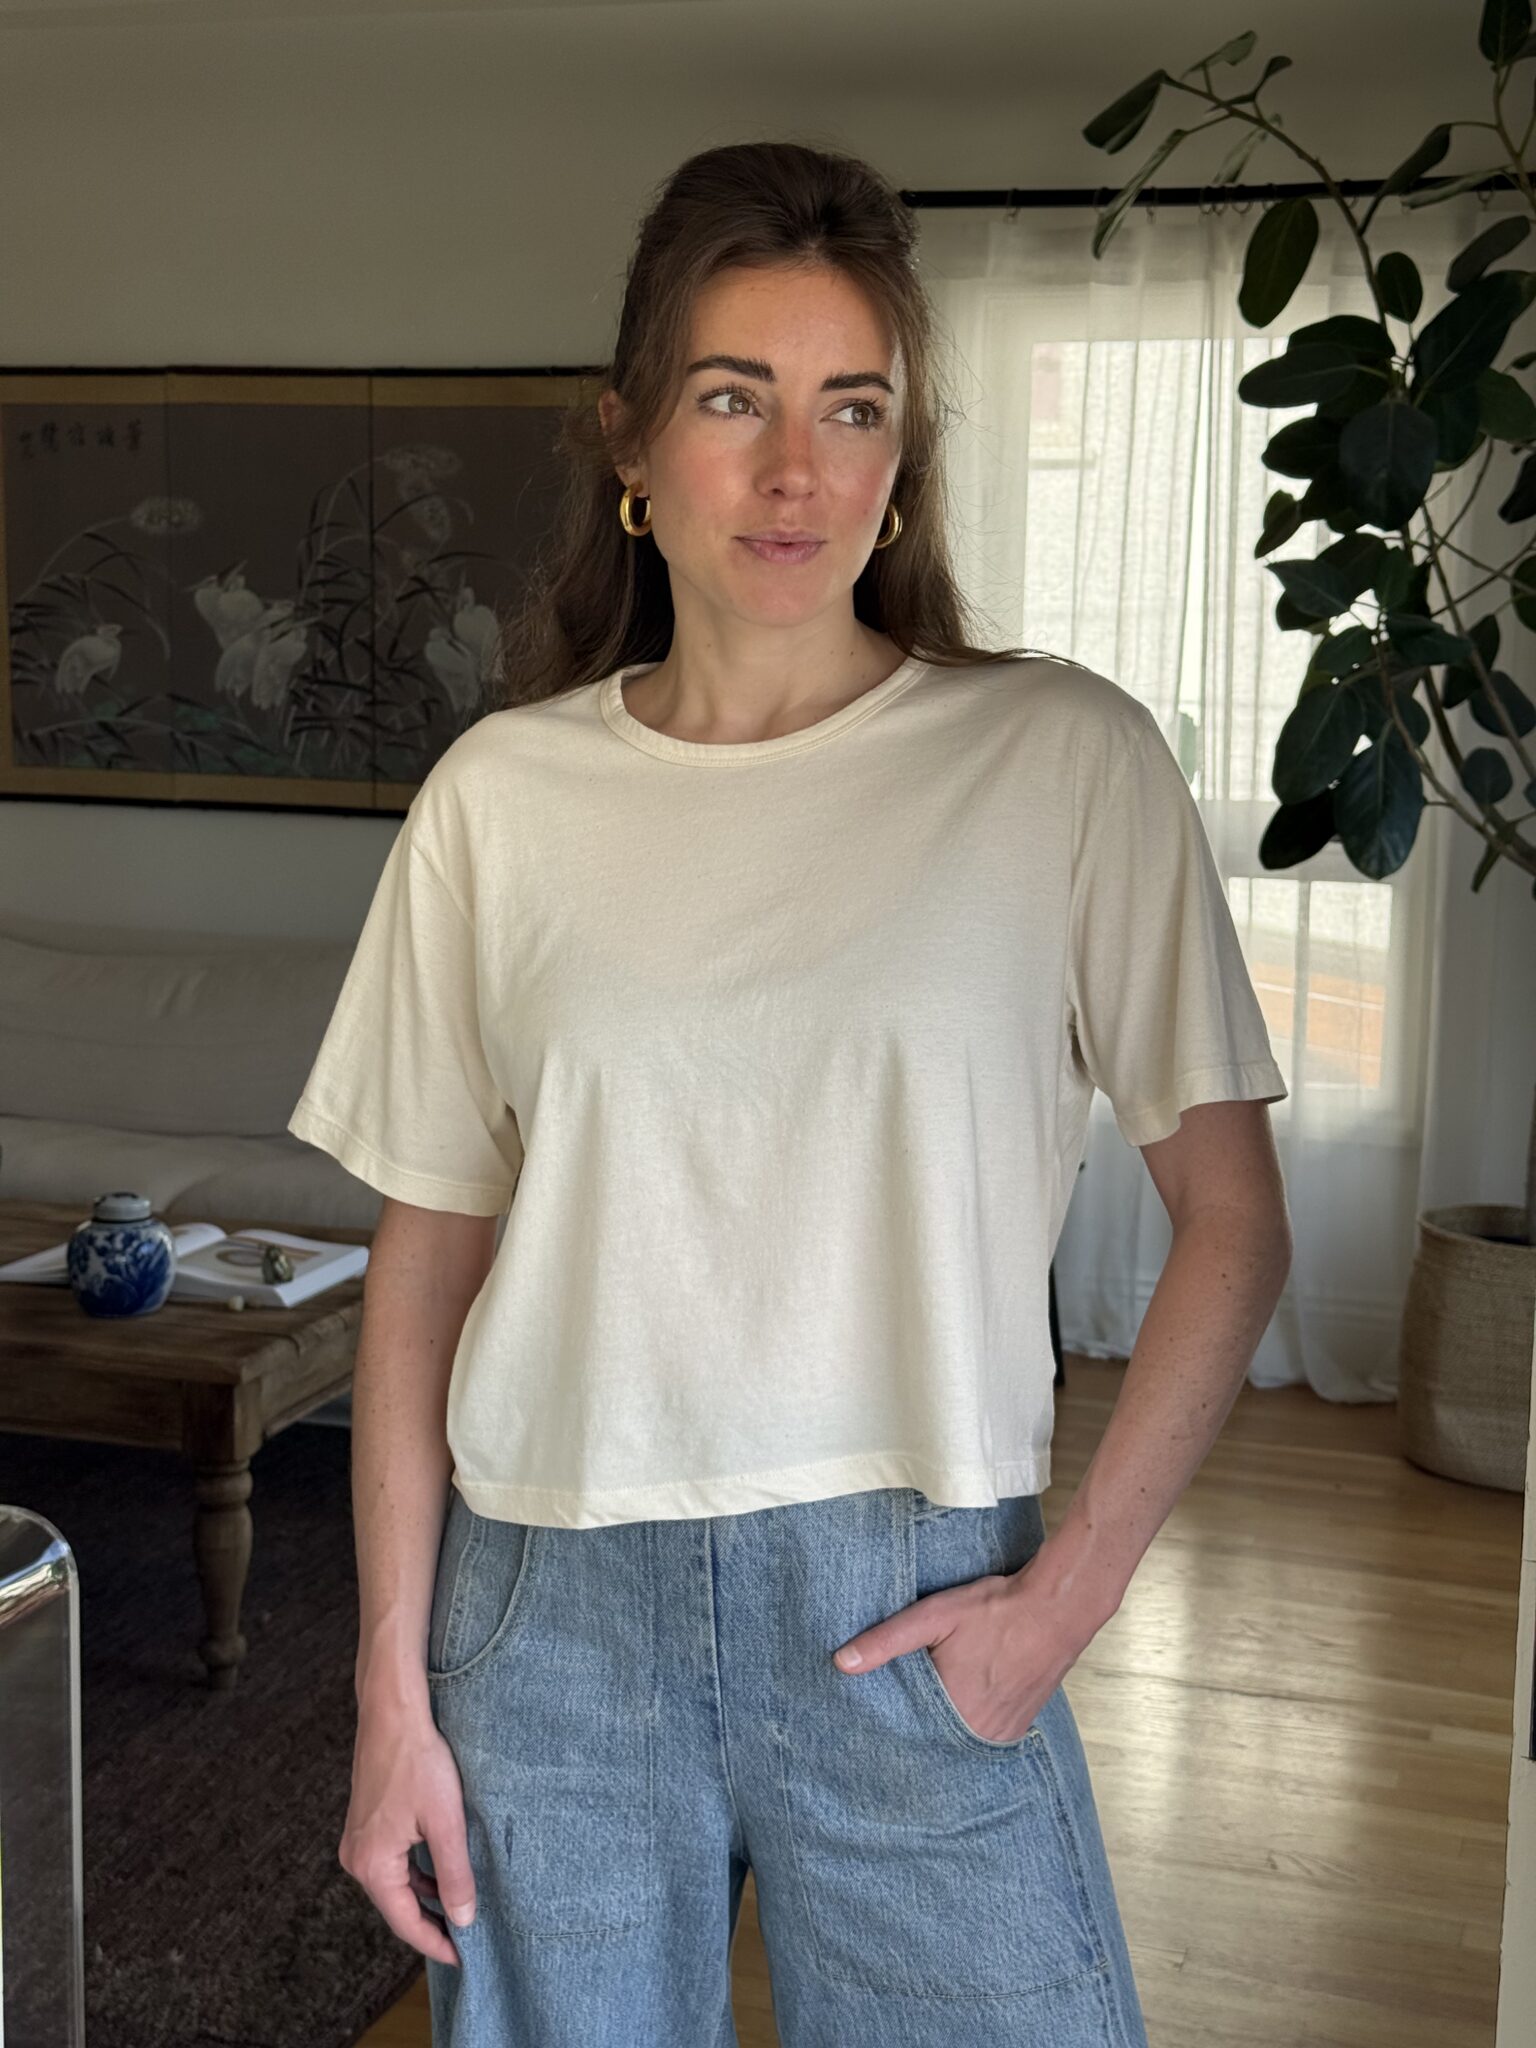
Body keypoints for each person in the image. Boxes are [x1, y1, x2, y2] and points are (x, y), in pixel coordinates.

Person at [288, 139, 1291, 2047]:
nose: (795, 468)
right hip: (548, 1621)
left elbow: (1234, 1231)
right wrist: (389, 1707)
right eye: (733, 399)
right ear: (633, 446)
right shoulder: (501, 799)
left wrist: (1063, 1602)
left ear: (904, 461)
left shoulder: (1058, 763)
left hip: (914, 1603)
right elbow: (417, 1281)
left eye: (854, 409)